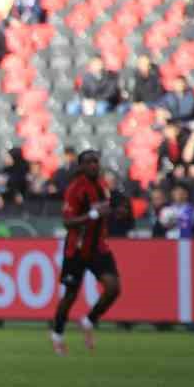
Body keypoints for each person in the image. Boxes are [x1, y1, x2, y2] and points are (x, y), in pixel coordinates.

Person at [50, 149, 122, 355]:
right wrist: (91, 214)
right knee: (70, 296)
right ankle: (57, 334)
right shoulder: (75, 189)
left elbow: (104, 213)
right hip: (78, 249)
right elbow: (67, 222)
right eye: (89, 162)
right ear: (81, 166)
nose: (94, 165)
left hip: (98, 247)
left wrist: (116, 212)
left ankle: (89, 320)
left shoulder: (102, 185)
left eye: (96, 162)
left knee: (113, 288)